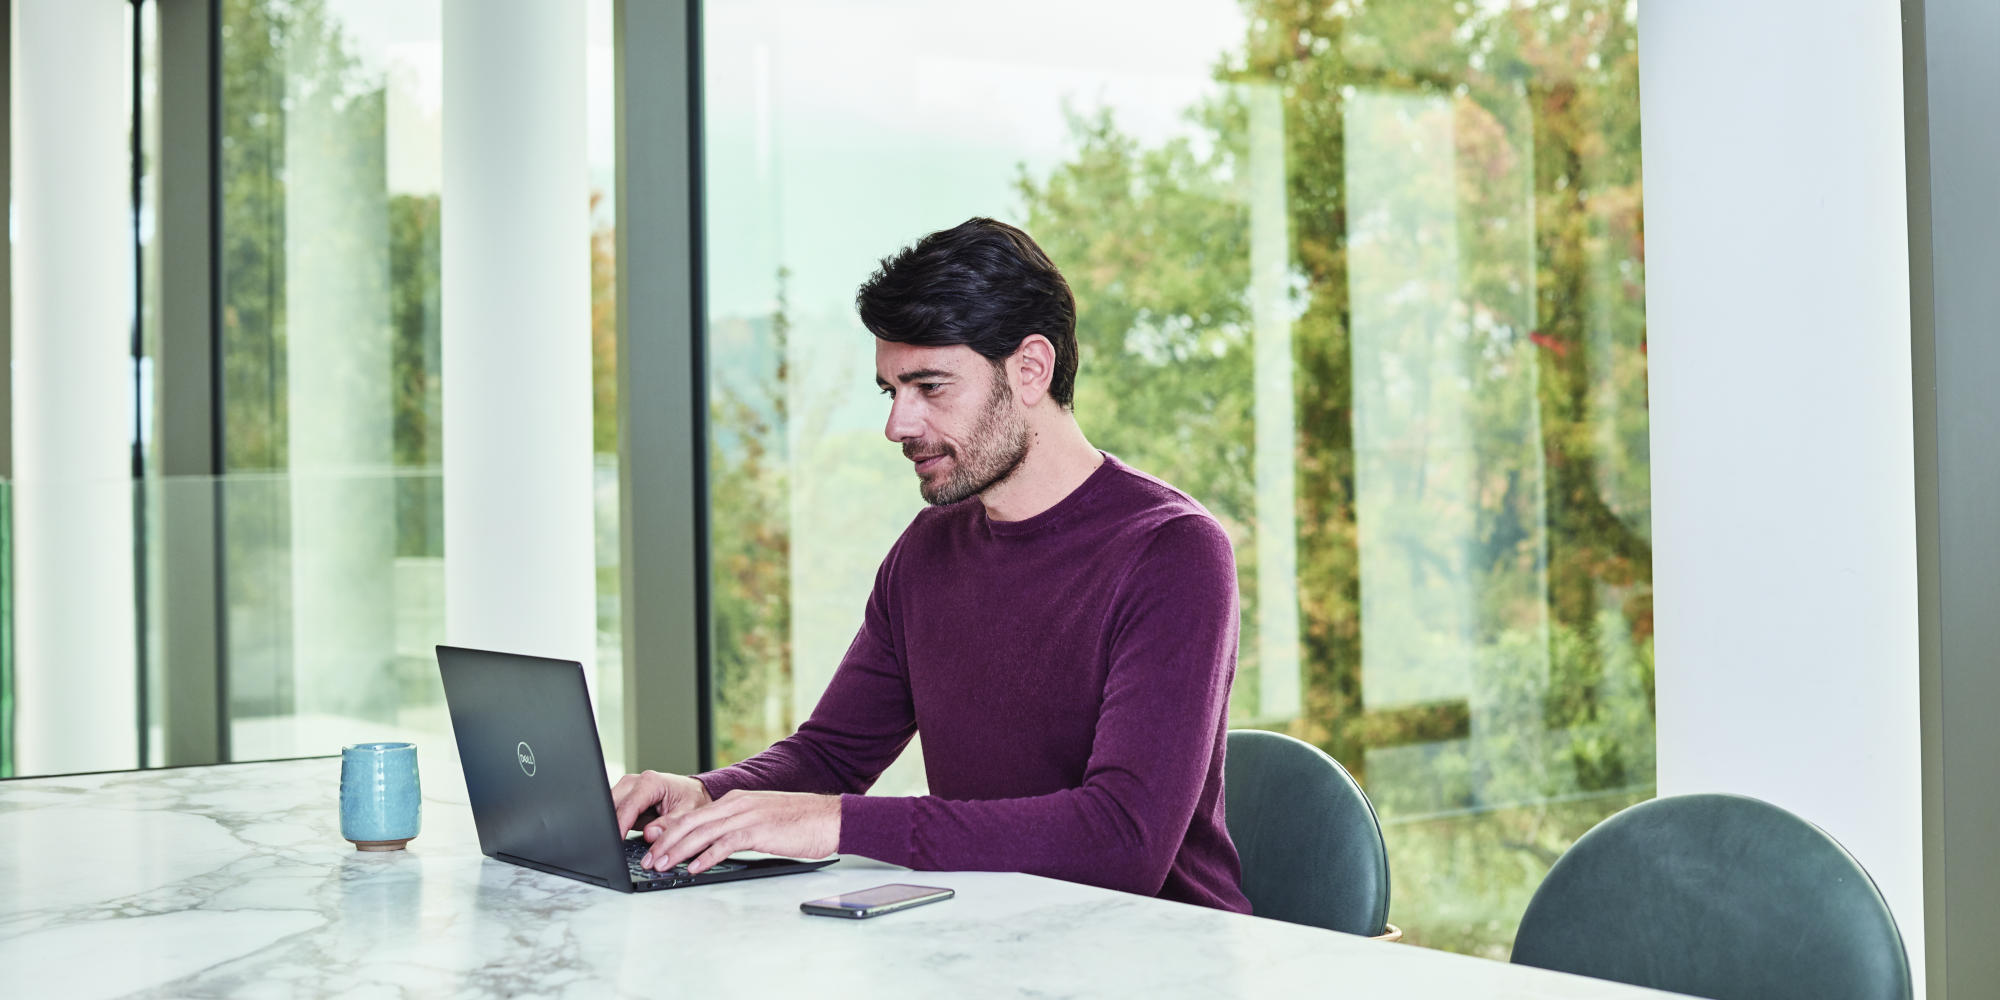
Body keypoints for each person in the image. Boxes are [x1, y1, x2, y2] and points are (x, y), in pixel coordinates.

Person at [611, 217, 1250, 912]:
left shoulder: (1172, 552)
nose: (898, 425)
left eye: (930, 387)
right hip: (988, 942)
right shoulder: (927, 551)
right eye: (892, 391)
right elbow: (831, 755)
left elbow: (1122, 841)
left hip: (1164, 959)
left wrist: (832, 824)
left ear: (1030, 369)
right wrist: (708, 792)